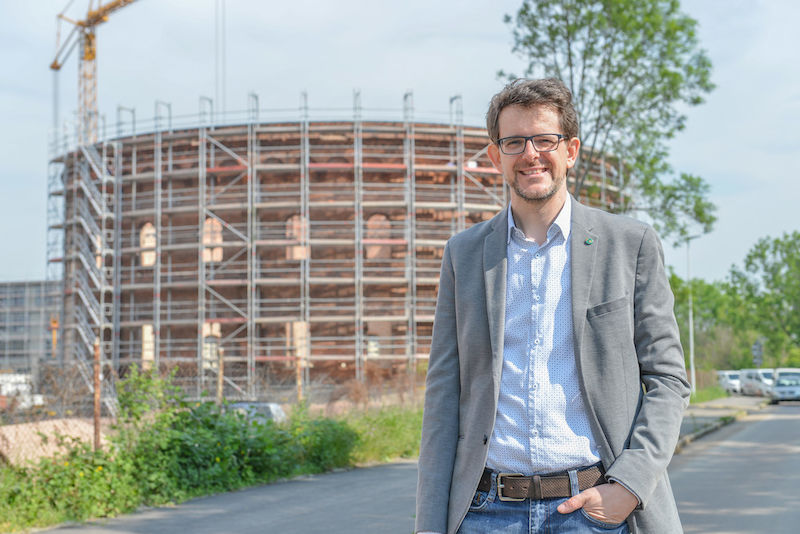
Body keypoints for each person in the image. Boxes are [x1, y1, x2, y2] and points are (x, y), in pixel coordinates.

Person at [415, 78, 690, 534]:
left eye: (545, 139)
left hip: (595, 510)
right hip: (485, 512)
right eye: (514, 141)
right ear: (495, 156)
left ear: (571, 150)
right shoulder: (463, 255)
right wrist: (429, 525)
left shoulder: (630, 245)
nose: (530, 153)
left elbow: (668, 380)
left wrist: (629, 485)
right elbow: (443, 397)